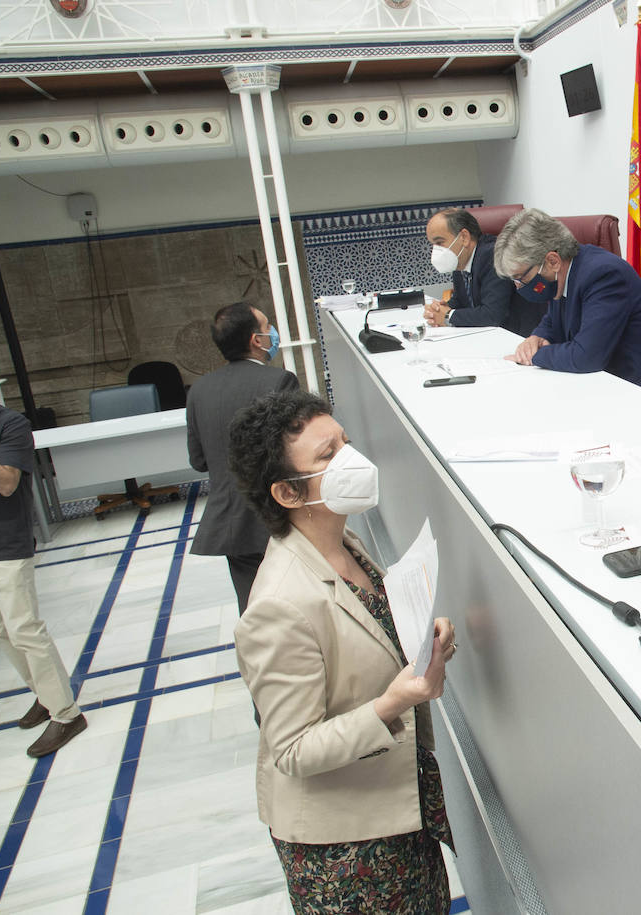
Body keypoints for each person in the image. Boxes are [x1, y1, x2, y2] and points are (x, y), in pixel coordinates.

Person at [228, 390, 458, 914]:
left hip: (398, 810)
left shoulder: (340, 543)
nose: (351, 460)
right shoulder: (279, 606)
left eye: (345, 443)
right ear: (288, 493)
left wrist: (425, 639)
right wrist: (393, 702)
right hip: (347, 849)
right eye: (328, 455)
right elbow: (292, 751)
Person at [0, 360, 87, 756]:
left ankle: (67, 713)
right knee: (0, 631)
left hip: (4, 546)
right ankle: (45, 695)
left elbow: (8, 482)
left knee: (25, 629)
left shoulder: (9, 425)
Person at [186, 303, 299, 612]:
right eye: (267, 325)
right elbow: (296, 455)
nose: (272, 329)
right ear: (256, 340)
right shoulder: (279, 382)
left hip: (232, 523)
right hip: (279, 518)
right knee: (296, 606)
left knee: (254, 610)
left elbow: (198, 460)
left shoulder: (199, 390)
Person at [494, 208, 641, 396]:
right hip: (600, 387)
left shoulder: (604, 276)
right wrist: (536, 338)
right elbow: (552, 321)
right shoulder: (562, 275)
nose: (518, 287)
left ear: (552, 261)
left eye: (521, 278)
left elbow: (587, 356)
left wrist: (535, 356)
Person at [421, 207, 546, 337]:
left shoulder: (493, 256)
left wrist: (448, 315)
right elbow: (460, 301)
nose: (436, 250)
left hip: (516, 336)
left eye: (439, 242)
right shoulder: (460, 260)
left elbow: (493, 315)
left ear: (464, 237)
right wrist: (438, 310)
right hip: (488, 335)